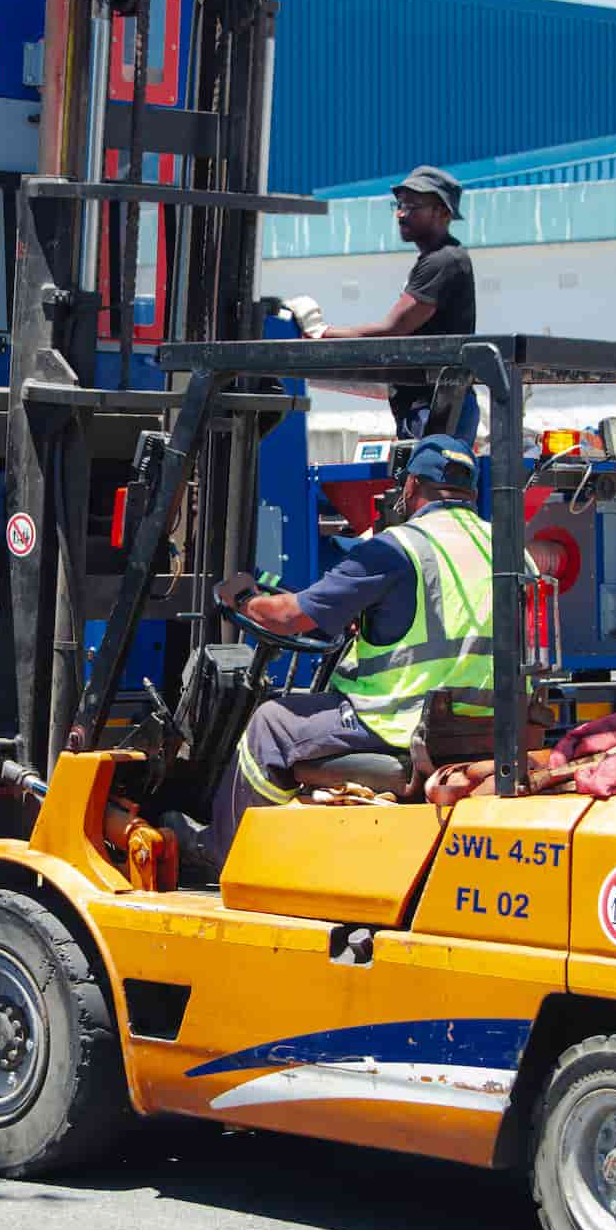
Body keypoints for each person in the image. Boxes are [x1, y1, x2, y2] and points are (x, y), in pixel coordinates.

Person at [204, 434, 492, 872]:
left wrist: (244, 600)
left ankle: (228, 858)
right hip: (488, 726)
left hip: (402, 721)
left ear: (411, 485)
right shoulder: (509, 550)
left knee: (271, 724)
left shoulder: (397, 549)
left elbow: (289, 616)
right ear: (471, 489)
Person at [286, 164, 480, 443]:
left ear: (442, 212)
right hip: (433, 403)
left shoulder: (443, 261)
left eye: (412, 206)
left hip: (437, 406)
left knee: (433, 472)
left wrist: (321, 333)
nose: (401, 213)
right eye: (399, 205)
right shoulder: (437, 260)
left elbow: (392, 329)